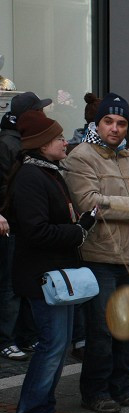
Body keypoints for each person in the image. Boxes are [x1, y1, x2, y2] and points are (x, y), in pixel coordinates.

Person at [5, 112, 97, 413]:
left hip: (59, 274)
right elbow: (36, 231)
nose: (65, 141)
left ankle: (45, 404)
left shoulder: (51, 172)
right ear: (43, 145)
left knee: (60, 343)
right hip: (44, 276)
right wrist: (78, 230)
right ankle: (30, 410)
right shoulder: (32, 177)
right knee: (52, 344)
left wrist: (79, 225)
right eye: (58, 138)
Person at [63, 92, 129, 413]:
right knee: (102, 330)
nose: (115, 128)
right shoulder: (80, 156)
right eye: (108, 121)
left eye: (121, 123)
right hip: (101, 256)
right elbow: (88, 201)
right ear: (97, 122)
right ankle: (96, 391)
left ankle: (124, 386)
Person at [0, 92, 50, 362]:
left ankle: (26, 335)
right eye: (38, 110)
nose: (43, 114)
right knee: (10, 284)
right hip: (11, 224)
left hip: (22, 222)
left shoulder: (23, 142)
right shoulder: (9, 143)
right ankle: (8, 339)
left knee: (22, 281)